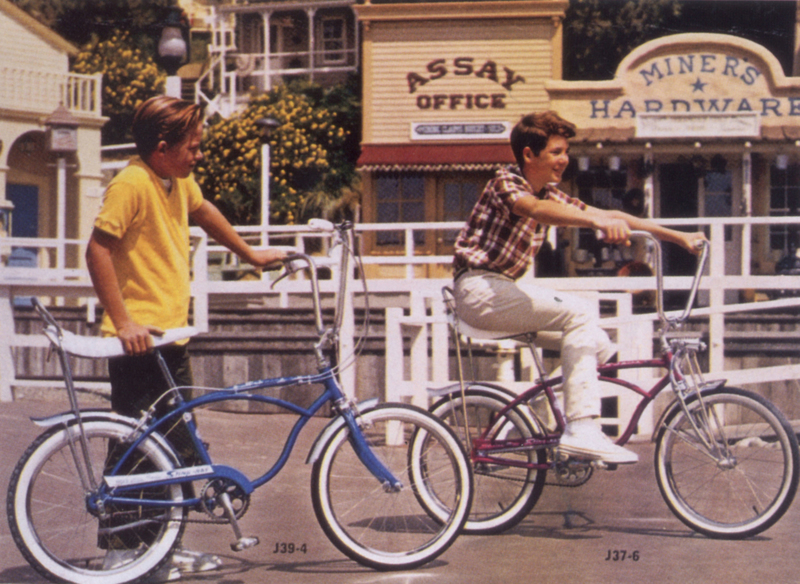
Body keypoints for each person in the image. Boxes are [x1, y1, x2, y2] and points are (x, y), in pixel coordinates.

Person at [86, 95, 286, 578]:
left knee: (174, 447)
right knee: (135, 446)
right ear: (162, 147)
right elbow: (97, 251)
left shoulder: (174, 180)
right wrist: (125, 321)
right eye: (193, 147)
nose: (199, 155)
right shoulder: (132, 183)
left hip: (170, 338)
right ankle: (121, 548)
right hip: (139, 342)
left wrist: (250, 254)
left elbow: (205, 211)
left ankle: (160, 548)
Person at [452, 111, 706, 465]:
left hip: (502, 292)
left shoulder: (550, 192)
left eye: (564, 151)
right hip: (478, 290)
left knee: (597, 344)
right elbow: (535, 210)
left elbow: (614, 215)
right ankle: (582, 428)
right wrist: (594, 220)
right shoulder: (505, 182)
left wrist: (677, 237)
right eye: (556, 151)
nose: (563, 160)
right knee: (581, 312)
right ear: (529, 154)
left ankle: (535, 424)